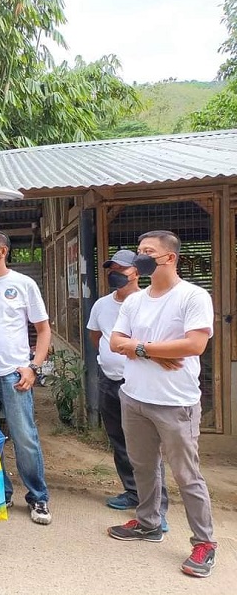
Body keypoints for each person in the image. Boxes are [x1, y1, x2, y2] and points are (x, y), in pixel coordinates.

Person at [108, 230, 217, 579]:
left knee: (187, 476)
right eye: (139, 251)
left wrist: (140, 349)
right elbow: (114, 341)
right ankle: (148, 523)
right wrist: (155, 351)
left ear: (169, 258)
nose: (139, 258)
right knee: (143, 467)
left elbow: (194, 345)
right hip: (134, 397)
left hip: (175, 404)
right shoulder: (135, 300)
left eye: (147, 252)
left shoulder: (193, 297)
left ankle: (205, 542)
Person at [0, 230, 52, 525]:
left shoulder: (23, 284)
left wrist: (33, 367)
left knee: (24, 437)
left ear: (2, 252)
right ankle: (0, 492)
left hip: (14, 375)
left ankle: (38, 497)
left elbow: (43, 330)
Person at [86, 249, 169, 531]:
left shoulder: (149, 303)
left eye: (121, 268)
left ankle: (157, 509)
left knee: (147, 448)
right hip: (109, 380)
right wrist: (108, 358)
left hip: (139, 384)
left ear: (136, 271)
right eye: (112, 268)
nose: (115, 273)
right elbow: (95, 335)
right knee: (119, 439)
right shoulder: (101, 305)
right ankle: (132, 492)